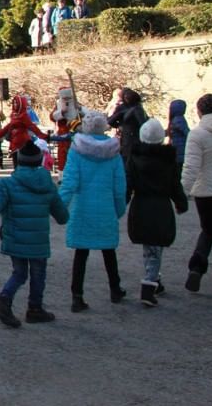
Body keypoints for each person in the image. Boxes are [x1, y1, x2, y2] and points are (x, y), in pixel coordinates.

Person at [0, 142, 68, 327]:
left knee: (19, 273)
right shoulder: (48, 184)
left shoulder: (8, 184)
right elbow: (62, 216)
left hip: (15, 236)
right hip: (38, 239)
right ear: (39, 161)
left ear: (19, 162)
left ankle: (4, 300)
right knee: (39, 273)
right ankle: (35, 308)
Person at [59, 109, 127, 312]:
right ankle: (115, 289)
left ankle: (77, 296)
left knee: (81, 253)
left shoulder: (76, 151)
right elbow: (119, 185)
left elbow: (69, 182)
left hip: (83, 207)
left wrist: (60, 207)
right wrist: (119, 208)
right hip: (105, 206)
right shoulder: (113, 153)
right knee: (109, 251)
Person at [127, 118, 188, 307]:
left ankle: (155, 280)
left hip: (141, 204)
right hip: (161, 206)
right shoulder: (168, 161)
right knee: (155, 247)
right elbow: (174, 185)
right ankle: (149, 284)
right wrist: (181, 202)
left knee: (149, 247)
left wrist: (123, 199)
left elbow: (128, 182)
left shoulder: (134, 159)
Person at [181, 93, 212, 293]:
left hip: (206, 192)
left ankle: (197, 267)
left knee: (208, 231)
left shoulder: (197, 134)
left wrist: (182, 192)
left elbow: (191, 167)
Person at [108, 87, 148, 166]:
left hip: (127, 137)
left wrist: (119, 125)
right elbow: (144, 123)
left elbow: (110, 121)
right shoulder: (139, 108)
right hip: (138, 138)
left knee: (126, 161)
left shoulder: (122, 108)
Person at [167, 99, 190, 176]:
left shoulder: (176, 119)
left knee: (177, 170)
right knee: (178, 170)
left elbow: (185, 132)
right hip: (180, 149)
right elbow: (186, 132)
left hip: (178, 149)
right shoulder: (179, 119)